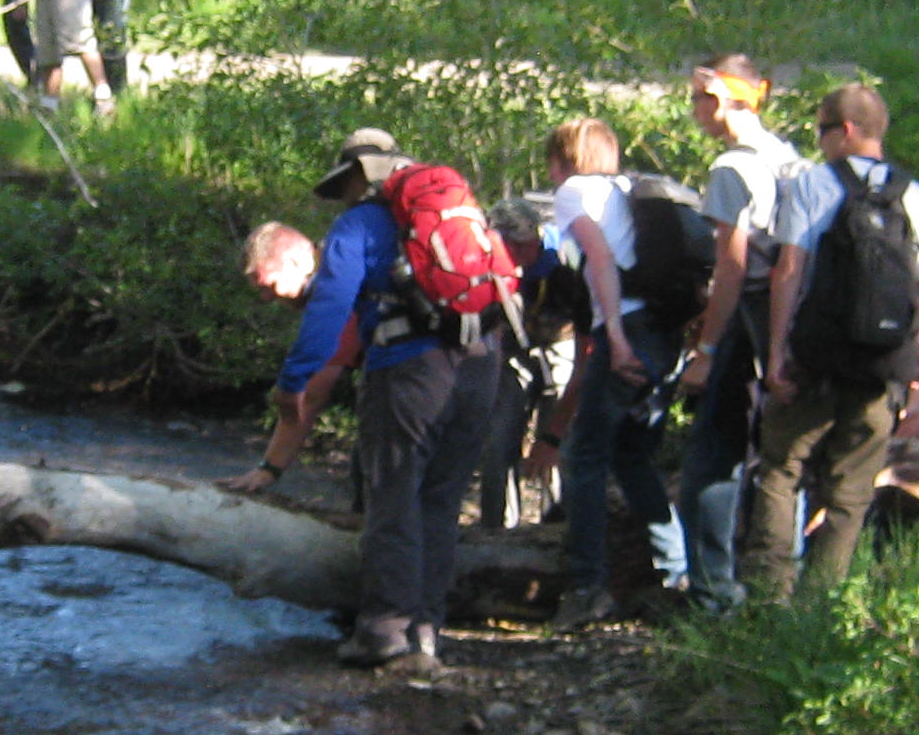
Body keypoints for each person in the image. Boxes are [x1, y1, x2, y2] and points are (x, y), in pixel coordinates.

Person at [224, 130, 504, 669]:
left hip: (410, 370)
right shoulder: (460, 212)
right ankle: (426, 633)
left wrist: (291, 383)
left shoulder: (356, 225)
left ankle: (383, 633)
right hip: (481, 361)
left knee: (393, 499)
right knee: (441, 504)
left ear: (357, 178)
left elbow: (328, 312)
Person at [745, 82, 919, 601]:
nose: (819, 142)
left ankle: (770, 597)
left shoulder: (813, 185)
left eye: (822, 131)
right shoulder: (913, 195)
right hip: (881, 366)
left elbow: (788, 270)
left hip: (815, 358)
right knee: (850, 491)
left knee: (781, 470)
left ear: (847, 131)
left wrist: (776, 352)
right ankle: (823, 605)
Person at [522, 118, 687, 631]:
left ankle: (588, 588)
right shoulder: (628, 191)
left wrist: (613, 336)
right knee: (632, 453)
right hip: (665, 332)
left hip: (628, 328)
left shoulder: (574, 192)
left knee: (584, 456)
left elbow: (600, 258)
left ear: (562, 161)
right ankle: (677, 575)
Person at [672, 56, 801, 612]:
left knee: (711, 455)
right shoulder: (788, 158)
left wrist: (706, 348)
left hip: (747, 316)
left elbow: (733, 265)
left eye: (698, 97)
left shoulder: (732, 168)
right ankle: (780, 587)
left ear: (723, 98)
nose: (694, 109)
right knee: (781, 455)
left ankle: (713, 593)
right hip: (787, 316)